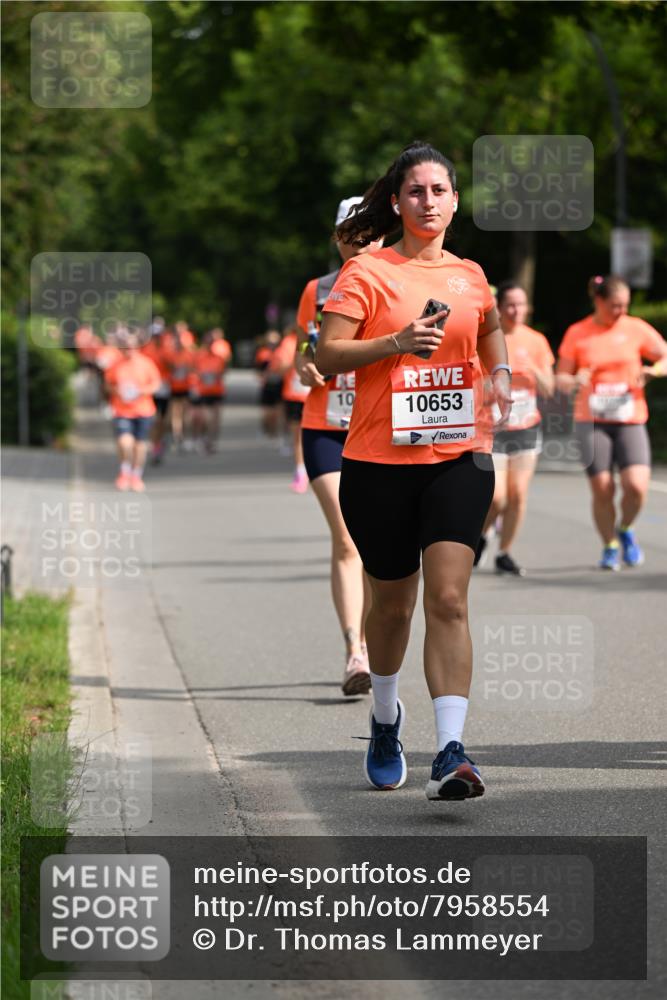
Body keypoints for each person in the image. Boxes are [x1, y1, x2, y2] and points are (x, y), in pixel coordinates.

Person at [316, 141, 511, 800]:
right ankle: (384, 719)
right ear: (396, 203)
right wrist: (395, 344)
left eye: (438, 190)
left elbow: (486, 332)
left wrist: (504, 373)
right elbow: (327, 353)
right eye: (415, 192)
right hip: (377, 462)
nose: (427, 202)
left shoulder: (471, 274)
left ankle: (451, 749)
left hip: (460, 453)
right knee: (393, 606)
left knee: (450, 598)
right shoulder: (368, 272)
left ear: (455, 200)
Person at [295, 197, 383, 695]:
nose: (364, 241)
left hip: (376, 429)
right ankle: (356, 652)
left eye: (372, 232)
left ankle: (374, 645)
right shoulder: (319, 290)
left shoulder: (398, 283)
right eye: (354, 232)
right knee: (348, 537)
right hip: (326, 426)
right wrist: (305, 364)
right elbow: (302, 348)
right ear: (338, 238)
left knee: (376, 546)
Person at [556, 275, 667, 570]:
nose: (621, 311)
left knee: (636, 487)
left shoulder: (635, 328)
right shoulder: (578, 333)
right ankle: (609, 545)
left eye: (625, 305)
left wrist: (654, 370)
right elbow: (560, 378)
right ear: (599, 301)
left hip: (630, 418)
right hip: (591, 421)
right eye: (615, 305)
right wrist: (574, 380)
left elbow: (664, 355)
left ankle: (626, 528)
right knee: (603, 487)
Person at [475, 281, 555, 575]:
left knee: (518, 495)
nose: (516, 310)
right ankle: (482, 535)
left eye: (521, 304)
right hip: (493, 428)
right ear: (499, 307)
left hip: (525, 427)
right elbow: (474, 384)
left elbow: (549, 388)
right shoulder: (485, 338)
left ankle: (504, 553)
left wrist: (530, 369)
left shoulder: (536, 341)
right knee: (497, 497)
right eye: (510, 304)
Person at [104, 328, 161, 492]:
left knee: (139, 446)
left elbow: (156, 384)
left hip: (143, 410)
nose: (129, 349)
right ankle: (124, 472)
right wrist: (117, 391)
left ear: (138, 347)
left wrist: (142, 391)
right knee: (125, 443)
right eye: (126, 346)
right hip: (122, 410)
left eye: (132, 346)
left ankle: (136, 475)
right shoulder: (115, 365)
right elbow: (108, 384)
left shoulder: (146, 363)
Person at [277, 322, 311, 493]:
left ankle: (315, 468)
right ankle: (300, 470)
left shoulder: (317, 337)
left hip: (314, 395)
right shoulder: (289, 342)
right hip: (295, 395)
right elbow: (280, 368)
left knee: (313, 434)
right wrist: (295, 362)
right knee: (297, 436)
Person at [189, 330, 227, 453]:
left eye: (212, 342)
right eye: (208, 342)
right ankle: (201, 438)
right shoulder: (199, 357)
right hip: (203, 391)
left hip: (216, 390)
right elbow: (193, 372)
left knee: (215, 418)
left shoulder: (219, 358)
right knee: (203, 418)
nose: (210, 344)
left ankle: (211, 441)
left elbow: (223, 373)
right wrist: (198, 381)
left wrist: (215, 376)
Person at [142, 329, 172, 464]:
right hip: (151, 388)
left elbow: (174, 366)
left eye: (159, 336)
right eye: (155, 336)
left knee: (164, 419)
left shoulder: (167, 350)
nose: (157, 338)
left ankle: (160, 440)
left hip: (164, 387)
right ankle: (154, 444)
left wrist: (167, 362)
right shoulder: (146, 349)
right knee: (155, 418)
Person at [164, 325, 195, 451]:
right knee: (175, 412)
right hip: (173, 386)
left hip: (186, 386)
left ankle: (184, 436)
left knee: (185, 413)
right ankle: (177, 436)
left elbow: (193, 369)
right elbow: (166, 369)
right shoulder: (170, 354)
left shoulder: (188, 354)